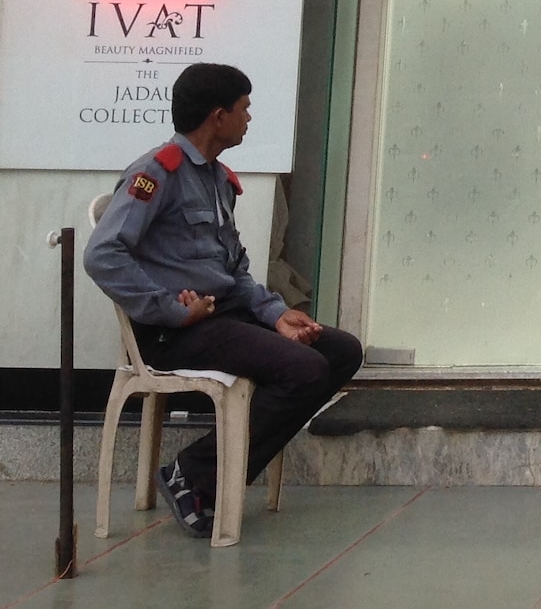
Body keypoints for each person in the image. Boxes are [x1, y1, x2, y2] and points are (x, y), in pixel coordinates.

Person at [84, 63, 361, 539]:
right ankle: (194, 474)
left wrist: (277, 315)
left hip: (222, 317)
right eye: (244, 109)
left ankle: (211, 475)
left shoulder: (216, 179)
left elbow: (234, 273)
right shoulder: (157, 172)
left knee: (340, 351)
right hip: (173, 332)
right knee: (303, 370)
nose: (248, 118)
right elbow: (102, 255)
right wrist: (171, 308)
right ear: (218, 116)